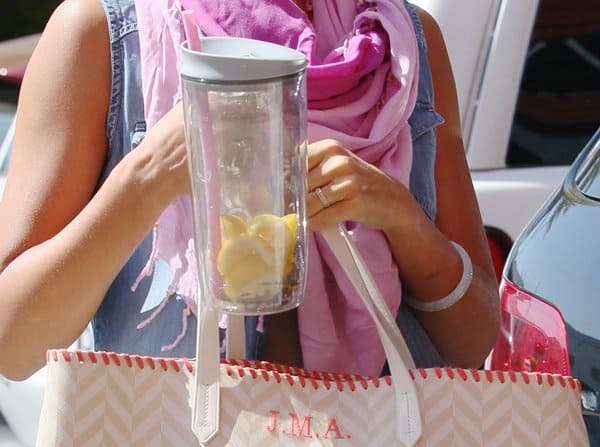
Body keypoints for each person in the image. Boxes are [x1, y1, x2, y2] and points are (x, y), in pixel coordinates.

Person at [0, 0, 500, 381]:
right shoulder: (102, 32)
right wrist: (148, 176)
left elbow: (473, 342)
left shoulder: (407, 42)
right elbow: (13, 343)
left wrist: (402, 219)